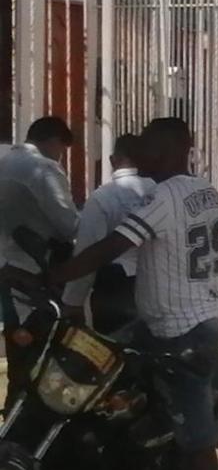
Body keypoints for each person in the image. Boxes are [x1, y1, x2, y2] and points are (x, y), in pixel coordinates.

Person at [51, 117, 218, 470]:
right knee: (120, 385)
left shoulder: (163, 197)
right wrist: (205, 281)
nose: (139, 152)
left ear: (169, 151)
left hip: (183, 333)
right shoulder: (206, 191)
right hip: (186, 321)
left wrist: (52, 276)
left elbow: (109, 247)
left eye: (147, 145)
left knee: (196, 440)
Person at [0, 116, 78, 413]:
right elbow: (68, 225)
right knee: (42, 359)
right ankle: (33, 423)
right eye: (61, 150)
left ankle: (14, 420)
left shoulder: (5, 162)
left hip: (7, 271)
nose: (60, 157)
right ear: (54, 141)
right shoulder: (43, 169)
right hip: (34, 276)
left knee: (18, 358)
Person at [62, 134, 156, 336]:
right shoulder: (159, 191)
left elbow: (88, 252)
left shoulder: (102, 197)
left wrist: (73, 301)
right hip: (158, 282)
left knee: (114, 348)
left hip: (115, 287)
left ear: (113, 160)